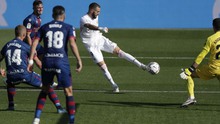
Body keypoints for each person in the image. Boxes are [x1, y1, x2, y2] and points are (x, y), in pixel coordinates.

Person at [28, 6, 82, 124]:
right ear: (64, 15)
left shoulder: (44, 27)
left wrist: (31, 60)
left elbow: (34, 42)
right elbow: (72, 44)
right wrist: (79, 59)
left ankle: (36, 119)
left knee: (45, 90)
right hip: (61, 62)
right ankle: (71, 121)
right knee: (68, 92)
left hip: (47, 61)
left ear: (53, 15)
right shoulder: (68, 27)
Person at [80, 2, 151, 92]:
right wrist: (100, 28)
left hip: (99, 39)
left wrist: (99, 30)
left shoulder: (96, 16)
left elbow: (94, 26)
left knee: (119, 52)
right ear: (92, 10)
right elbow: (89, 25)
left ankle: (141, 65)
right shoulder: (83, 19)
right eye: (97, 11)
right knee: (103, 66)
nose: (99, 13)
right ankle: (114, 86)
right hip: (91, 45)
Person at [0, 25, 66, 114]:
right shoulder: (26, 47)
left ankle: (11, 105)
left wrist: (0, 69)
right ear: (24, 35)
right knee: (46, 85)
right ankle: (59, 107)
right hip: (25, 74)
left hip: (11, 75)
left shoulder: (7, 45)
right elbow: (38, 63)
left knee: (9, 81)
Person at [180, 18, 220, 107]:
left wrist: (191, 69)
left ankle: (191, 98)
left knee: (189, 74)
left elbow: (202, 55)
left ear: (214, 27)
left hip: (212, 68)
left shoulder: (211, 39)